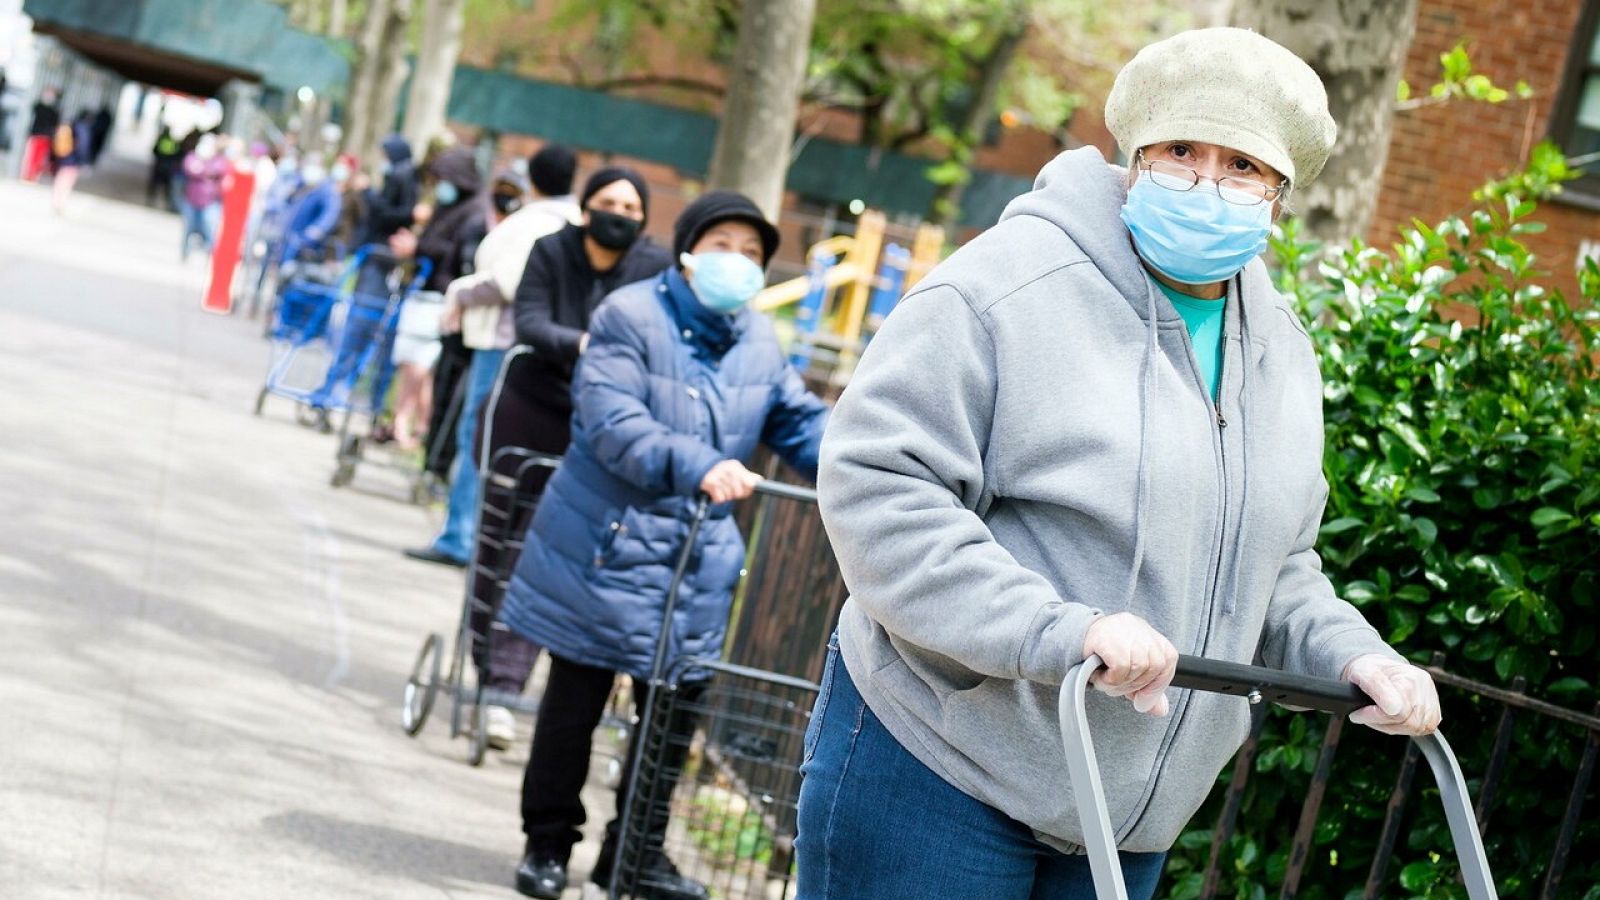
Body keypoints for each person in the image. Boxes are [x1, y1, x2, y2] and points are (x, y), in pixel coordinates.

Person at [795, 28, 1444, 900]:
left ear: (1281, 193)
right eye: (1181, 150)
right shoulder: (999, 289)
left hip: (1125, 818)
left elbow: (1278, 563)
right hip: (941, 767)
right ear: (1134, 155)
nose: (1208, 183)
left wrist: (1354, 657)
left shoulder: (1282, 354)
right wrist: (1062, 629)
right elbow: (880, 486)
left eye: (1243, 166)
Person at [500, 190, 829, 900]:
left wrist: (865, 463)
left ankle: (636, 856)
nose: (737, 264)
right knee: (573, 712)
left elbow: (797, 420)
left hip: (693, 568)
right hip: (606, 551)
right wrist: (697, 463)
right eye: (723, 247)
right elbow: (613, 422)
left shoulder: (758, 340)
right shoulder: (628, 317)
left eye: (752, 254)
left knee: (670, 723)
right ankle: (548, 845)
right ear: (686, 252)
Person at [421, 165, 671, 759]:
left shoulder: (650, 270)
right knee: (502, 541)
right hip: (530, 408)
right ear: (586, 207)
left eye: (632, 208)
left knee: (554, 553)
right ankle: (493, 678)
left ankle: (509, 683)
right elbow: (530, 322)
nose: (619, 215)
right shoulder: (550, 250)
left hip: (599, 424)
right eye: (608, 202)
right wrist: (589, 344)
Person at [401, 145, 579, 582]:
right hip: (534, 348)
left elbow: (509, 281)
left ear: (534, 178)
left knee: (479, 436)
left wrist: (462, 291)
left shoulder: (538, 223)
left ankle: (462, 536)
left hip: (503, 342)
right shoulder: (571, 222)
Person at [387, 146, 484, 452]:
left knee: (421, 366)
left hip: (442, 296)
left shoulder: (473, 213)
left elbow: (455, 254)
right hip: (424, 290)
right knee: (411, 364)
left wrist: (418, 249)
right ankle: (403, 422)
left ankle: (417, 426)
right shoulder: (447, 207)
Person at [359, 133, 417, 246]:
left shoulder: (400, 175)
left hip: (386, 237)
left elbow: (391, 208)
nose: (384, 159)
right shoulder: (404, 173)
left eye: (386, 156)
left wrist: (368, 192)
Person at [178, 133, 228, 257]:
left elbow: (220, 170)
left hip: (209, 200)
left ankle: (210, 253)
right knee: (188, 227)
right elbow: (191, 169)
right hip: (191, 198)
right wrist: (207, 173)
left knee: (209, 228)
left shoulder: (218, 160)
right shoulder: (192, 156)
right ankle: (185, 251)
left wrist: (203, 170)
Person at [50, 110, 93, 214]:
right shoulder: (83, 129)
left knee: (61, 178)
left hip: (63, 155)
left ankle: (56, 200)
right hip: (73, 159)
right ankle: (60, 203)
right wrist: (83, 161)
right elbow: (83, 147)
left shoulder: (71, 125)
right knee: (67, 182)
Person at [22, 87, 60, 182]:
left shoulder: (54, 111)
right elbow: (34, 107)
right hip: (35, 135)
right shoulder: (39, 106)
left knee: (39, 158)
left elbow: (55, 124)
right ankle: (27, 175)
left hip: (45, 137)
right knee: (31, 156)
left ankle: (34, 176)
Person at [148, 126, 182, 209]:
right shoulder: (172, 141)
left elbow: (154, 150)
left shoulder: (162, 140)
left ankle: (151, 200)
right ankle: (166, 203)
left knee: (155, 184)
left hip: (160, 164)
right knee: (166, 186)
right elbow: (177, 154)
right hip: (168, 166)